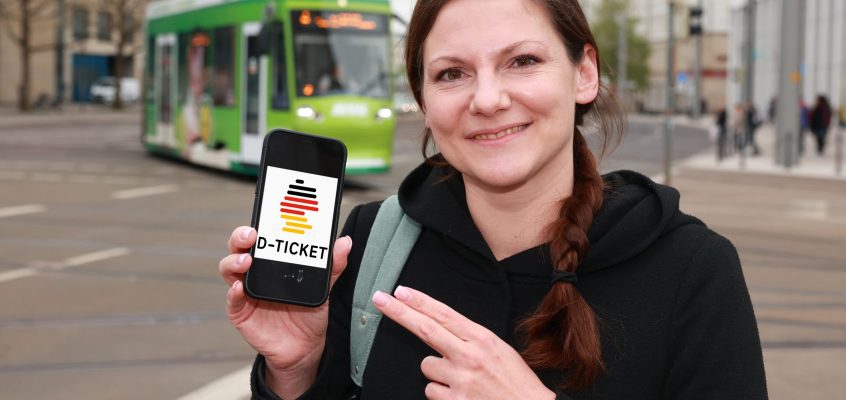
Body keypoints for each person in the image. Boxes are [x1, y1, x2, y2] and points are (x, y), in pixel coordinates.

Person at [219, 0, 768, 398]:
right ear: (425, 102)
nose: (487, 99)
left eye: (522, 61)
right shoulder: (370, 241)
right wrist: (296, 371)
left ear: (584, 73)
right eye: (452, 73)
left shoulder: (692, 268)